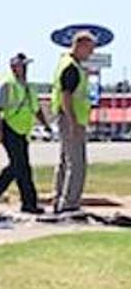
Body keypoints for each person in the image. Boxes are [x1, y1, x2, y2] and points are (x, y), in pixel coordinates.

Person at [0, 53, 51, 214]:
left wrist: (45, 124)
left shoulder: (28, 86)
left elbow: (36, 109)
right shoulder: (6, 84)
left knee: (17, 166)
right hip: (9, 128)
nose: (25, 69)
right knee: (22, 167)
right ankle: (29, 203)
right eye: (22, 65)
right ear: (13, 67)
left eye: (26, 65)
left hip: (22, 131)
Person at [50, 30, 96, 214]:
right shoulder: (71, 67)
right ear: (80, 45)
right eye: (89, 49)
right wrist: (73, 122)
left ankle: (59, 198)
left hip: (69, 117)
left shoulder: (68, 63)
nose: (91, 53)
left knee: (65, 161)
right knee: (77, 164)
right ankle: (70, 203)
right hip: (70, 118)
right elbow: (66, 96)